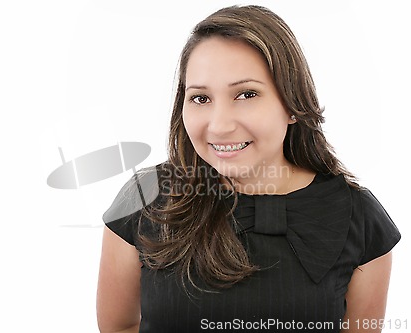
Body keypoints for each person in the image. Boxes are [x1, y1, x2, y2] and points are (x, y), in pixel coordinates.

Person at [96, 5, 401, 333]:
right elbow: (119, 327)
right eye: (200, 98)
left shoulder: (361, 218)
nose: (220, 125)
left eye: (246, 94)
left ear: (292, 105)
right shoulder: (145, 199)